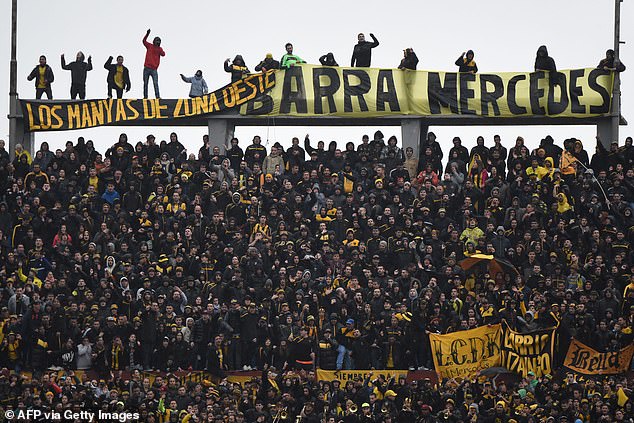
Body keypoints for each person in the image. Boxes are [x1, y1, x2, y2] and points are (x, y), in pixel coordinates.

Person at [142, 28, 165, 98]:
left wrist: (160, 48)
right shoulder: (150, 46)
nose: (157, 42)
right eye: (157, 40)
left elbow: (163, 54)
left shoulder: (159, 49)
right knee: (145, 83)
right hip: (147, 68)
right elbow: (144, 41)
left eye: (159, 41)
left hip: (154, 69)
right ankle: (145, 97)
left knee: (155, 83)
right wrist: (147, 34)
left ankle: (157, 96)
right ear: (154, 41)